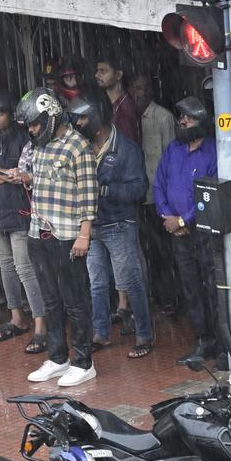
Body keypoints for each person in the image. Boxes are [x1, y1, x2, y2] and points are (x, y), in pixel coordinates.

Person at [15, 88, 99, 388]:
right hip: (39, 232)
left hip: (68, 235)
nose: (32, 130)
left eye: (35, 124)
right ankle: (58, 356)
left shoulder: (78, 146)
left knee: (76, 300)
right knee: (50, 300)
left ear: (50, 116)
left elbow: (89, 194)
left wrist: (84, 235)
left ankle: (83, 361)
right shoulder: (38, 146)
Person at [69, 94, 153, 358]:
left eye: (83, 117)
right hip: (91, 226)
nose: (78, 122)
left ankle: (144, 336)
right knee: (96, 283)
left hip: (118, 224)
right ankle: (101, 334)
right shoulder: (80, 147)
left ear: (97, 117)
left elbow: (139, 190)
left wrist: (104, 190)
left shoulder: (127, 149)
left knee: (131, 281)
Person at [0, 90, 47, 354]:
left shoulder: (24, 139)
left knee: (24, 268)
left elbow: (25, 176)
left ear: (10, 114)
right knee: (6, 266)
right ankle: (16, 317)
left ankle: (40, 323)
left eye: (0, 113)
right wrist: (6, 173)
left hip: (18, 213)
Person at [154, 96, 219, 367]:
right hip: (177, 234)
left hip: (204, 233)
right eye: (181, 117)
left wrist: (183, 221)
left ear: (201, 121)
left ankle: (223, 343)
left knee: (213, 288)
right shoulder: (173, 149)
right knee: (191, 288)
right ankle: (203, 341)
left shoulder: (214, 152)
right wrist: (167, 217)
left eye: (189, 118)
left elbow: (211, 194)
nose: (182, 122)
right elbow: (159, 184)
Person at [129, 72, 178, 315]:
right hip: (140, 195)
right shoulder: (130, 118)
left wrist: (167, 200)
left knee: (163, 251)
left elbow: (171, 160)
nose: (139, 92)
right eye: (135, 87)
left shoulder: (163, 118)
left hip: (158, 197)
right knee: (147, 250)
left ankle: (169, 298)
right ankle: (156, 296)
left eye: (142, 87)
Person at [93, 56, 140, 143]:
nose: (96, 75)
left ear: (118, 75)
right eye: (98, 70)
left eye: (103, 71)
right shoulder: (106, 103)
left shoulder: (125, 109)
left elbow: (127, 149)